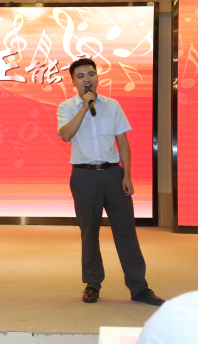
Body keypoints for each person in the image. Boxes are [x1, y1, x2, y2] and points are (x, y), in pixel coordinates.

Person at [56, 58, 164, 306]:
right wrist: (85, 108)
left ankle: (139, 288)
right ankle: (92, 284)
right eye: (81, 76)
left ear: (97, 77)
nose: (87, 79)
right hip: (84, 176)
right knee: (89, 233)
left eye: (91, 74)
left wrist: (127, 175)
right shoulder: (66, 107)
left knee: (126, 232)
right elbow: (65, 135)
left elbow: (122, 142)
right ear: (73, 82)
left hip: (114, 174)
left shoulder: (113, 105)